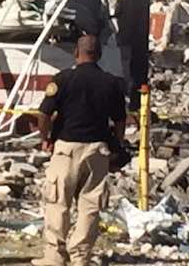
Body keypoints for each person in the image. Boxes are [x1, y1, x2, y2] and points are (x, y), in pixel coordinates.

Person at [32, 35, 126, 266]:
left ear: (76, 52)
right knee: (90, 207)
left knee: (58, 203)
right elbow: (120, 121)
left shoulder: (63, 80)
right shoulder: (111, 83)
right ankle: (80, 257)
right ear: (99, 55)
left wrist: (45, 138)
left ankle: (54, 256)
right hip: (97, 150)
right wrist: (115, 145)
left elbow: (43, 113)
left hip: (66, 148)